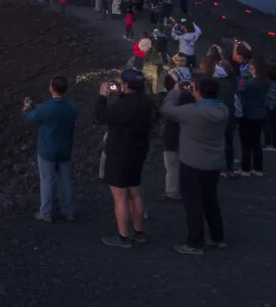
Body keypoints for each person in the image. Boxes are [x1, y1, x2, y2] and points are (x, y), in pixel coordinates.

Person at [162, 76, 228, 255]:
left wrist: (175, 91)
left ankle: (195, 243)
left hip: (192, 163)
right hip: (213, 164)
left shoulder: (191, 112)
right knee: (210, 200)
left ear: (197, 91)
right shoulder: (223, 110)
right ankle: (217, 236)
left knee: (193, 203)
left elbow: (167, 110)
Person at [96, 68, 155, 248]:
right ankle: (138, 231)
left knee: (120, 196)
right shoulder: (147, 103)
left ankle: (123, 236)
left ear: (127, 85)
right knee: (135, 191)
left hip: (120, 152)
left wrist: (102, 97)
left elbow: (101, 116)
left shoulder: (123, 106)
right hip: (139, 151)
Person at [23, 75, 77, 222]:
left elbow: (31, 118)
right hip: (65, 149)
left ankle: (46, 212)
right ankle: (68, 211)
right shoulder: (72, 107)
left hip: (47, 150)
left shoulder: (47, 107)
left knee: (47, 180)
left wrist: (27, 110)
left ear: (52, 88)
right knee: (65, 180)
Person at [160, 58, 194, 201]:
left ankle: (173, 191)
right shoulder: (190, 99)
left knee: (172, 166)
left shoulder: (170, 102)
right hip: (187, 136)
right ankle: (187, 189)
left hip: (172, 137)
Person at [238, 56, 270, 175]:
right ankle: (258, 168)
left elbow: (240, 93)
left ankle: (245, 168)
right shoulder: (266, 82)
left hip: (248, 115)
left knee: (245, 143)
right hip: (260, 115)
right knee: (256, 142)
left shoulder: (249, 83)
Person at [264, 64, 276, 152]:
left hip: (269, 105)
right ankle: (275, 143)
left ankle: (268, 143)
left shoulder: (269, 85)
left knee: (267, 125)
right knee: (273, 125)